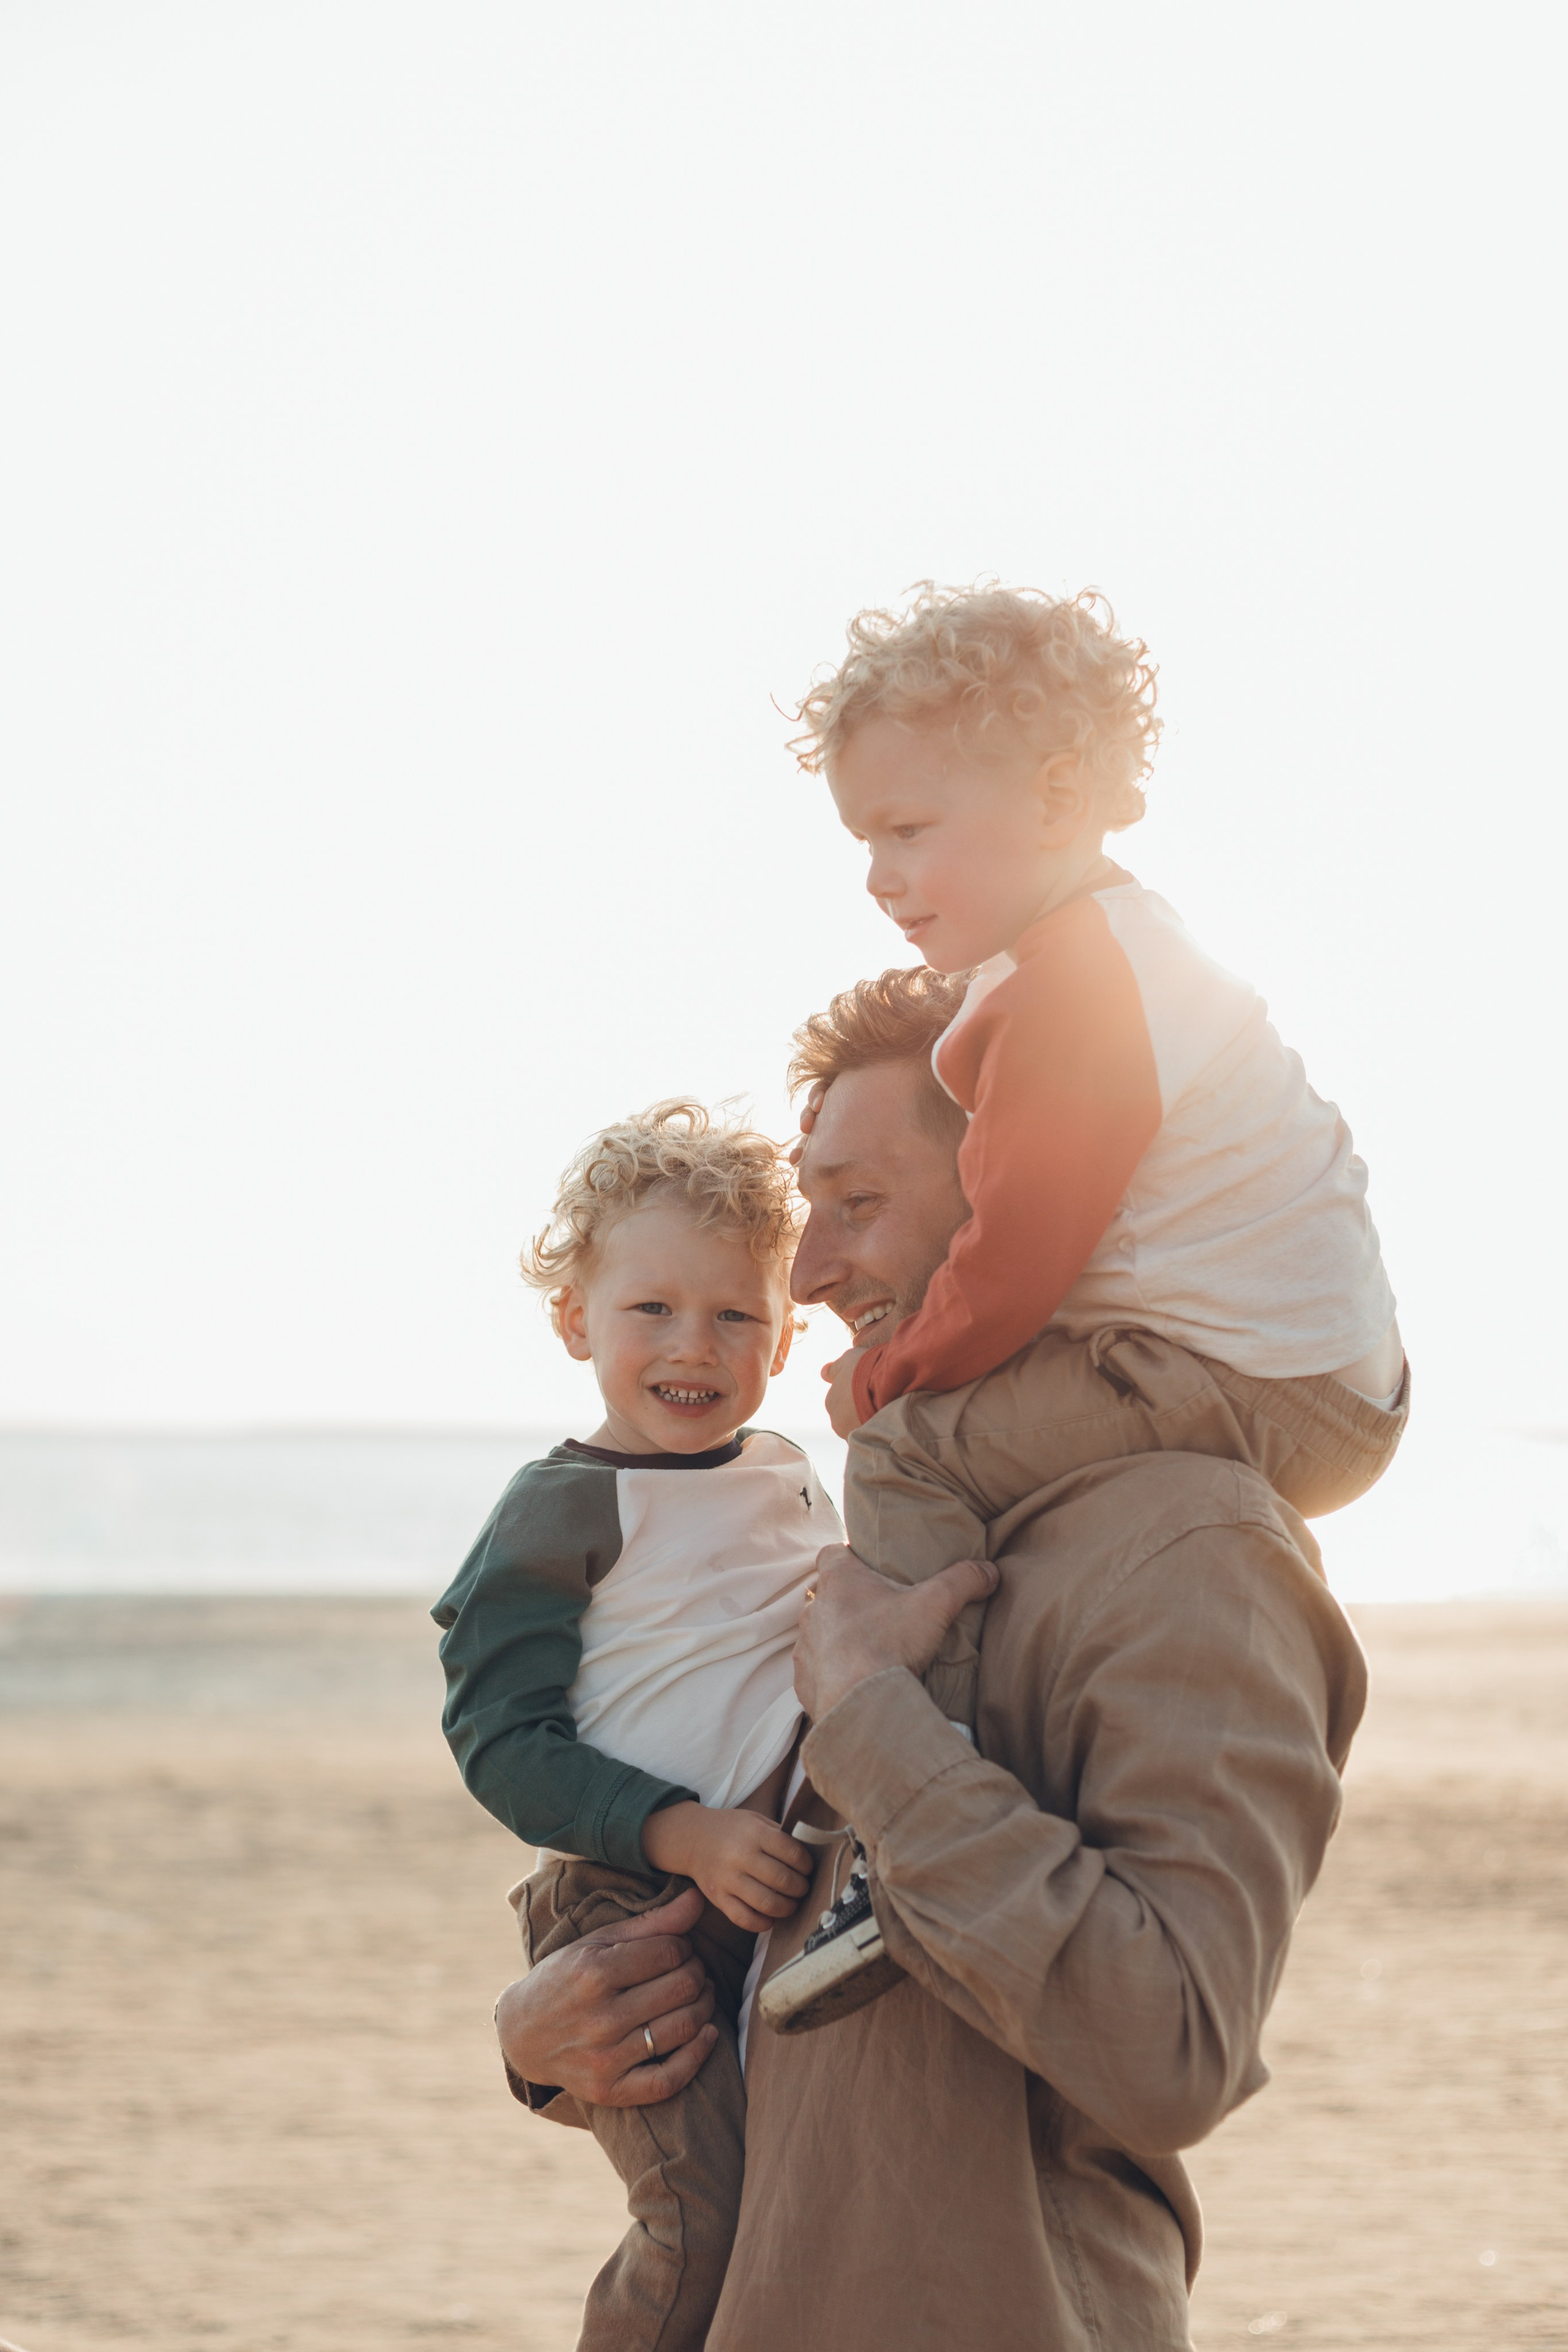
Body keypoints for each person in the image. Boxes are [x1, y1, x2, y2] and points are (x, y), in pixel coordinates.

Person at [494, 971, 1373, 2351]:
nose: (805, 1274)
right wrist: (546, 2037)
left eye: (857, 1205)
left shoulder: (1194, 1545)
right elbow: (752, 1937)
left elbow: (1169, 2050)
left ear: (1018, 1201)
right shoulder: (871, 1542)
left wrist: (867, 1719)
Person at [761, 581, 1406, 2028]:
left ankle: (900, 1803)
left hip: (1253, 1377)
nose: (878, 873)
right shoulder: (1105, 956)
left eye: (907, 830)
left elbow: (1012, 1262)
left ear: (1056, 796)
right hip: (1306, 1368)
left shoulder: (1077, 987)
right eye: (863, 840)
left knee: (913, 1447)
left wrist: (887, 1378)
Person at [432, 1101, 840, 2352]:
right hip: (631, 1903)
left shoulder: (782, 1465)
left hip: (770, 1881)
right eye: (649, 1308)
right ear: (574, 1320)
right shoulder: (559, 1509)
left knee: (790, 2215)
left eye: (735, 1315)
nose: (694, 1345)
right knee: (697, 2217)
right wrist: (676, 1834)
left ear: (782, 1336)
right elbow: (500, 1741)